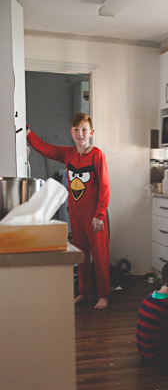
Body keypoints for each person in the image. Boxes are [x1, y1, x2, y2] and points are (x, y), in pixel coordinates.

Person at [26, 113, 111, 309]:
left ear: (91, 132)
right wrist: (28, 133)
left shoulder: (97, 155)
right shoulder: (68, 154)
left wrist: (99, 214)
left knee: (100, 256)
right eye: (76, 130)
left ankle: (103, 295)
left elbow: (105, 186)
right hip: (76, 214)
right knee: (80, 254)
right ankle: (84, 292)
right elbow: (45, 148)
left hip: (95, 217)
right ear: (71, 133)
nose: (80, 134)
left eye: (84, 130)